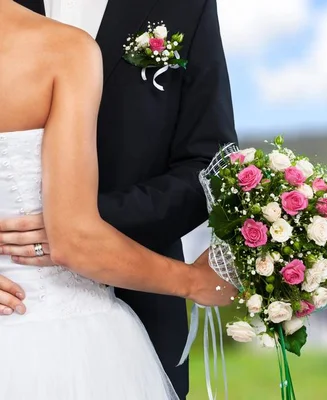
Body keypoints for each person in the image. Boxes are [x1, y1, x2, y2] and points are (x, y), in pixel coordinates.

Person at [0, 0, 238, 398]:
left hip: (136, 316)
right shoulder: (68, 51)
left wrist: (90, 220)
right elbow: (75, 239)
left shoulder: (186, 6)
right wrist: (195, 282)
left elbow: (208, 164)